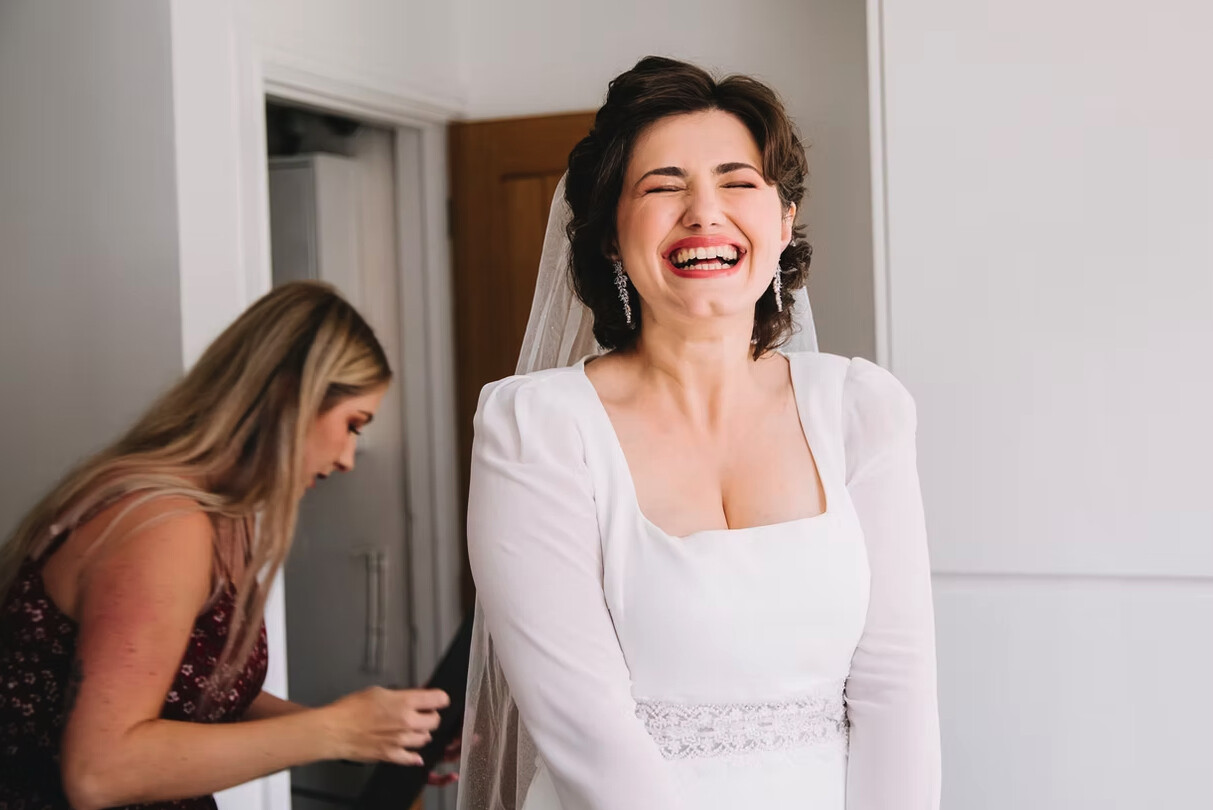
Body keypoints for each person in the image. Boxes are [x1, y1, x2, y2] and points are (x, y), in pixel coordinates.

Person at [458, 57, 940, 810]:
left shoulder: (860, 408)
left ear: (782, 222)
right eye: (662, 186)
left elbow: (896, 687)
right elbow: (582, 724)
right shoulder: (536, 427)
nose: (703, 212)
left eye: (737, 181)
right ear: (612, 236)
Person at [0, 281, 453, 810]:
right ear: (289, 396)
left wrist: (371, 735)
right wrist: (334, 731)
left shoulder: (220, 517)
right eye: (352, 424)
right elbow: (101, 771)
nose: (349, 458)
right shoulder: (162, 525)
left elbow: (189, 692)